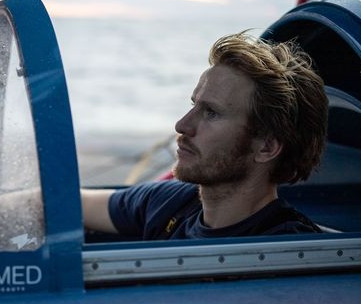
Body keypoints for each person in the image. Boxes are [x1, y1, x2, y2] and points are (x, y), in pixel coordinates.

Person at [82, 33, 328, 239]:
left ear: (267, 147)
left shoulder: (292, 255)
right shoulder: (168, 203)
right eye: (194, 105)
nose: (182, 125)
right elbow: (59, 204)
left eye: (211, 113)